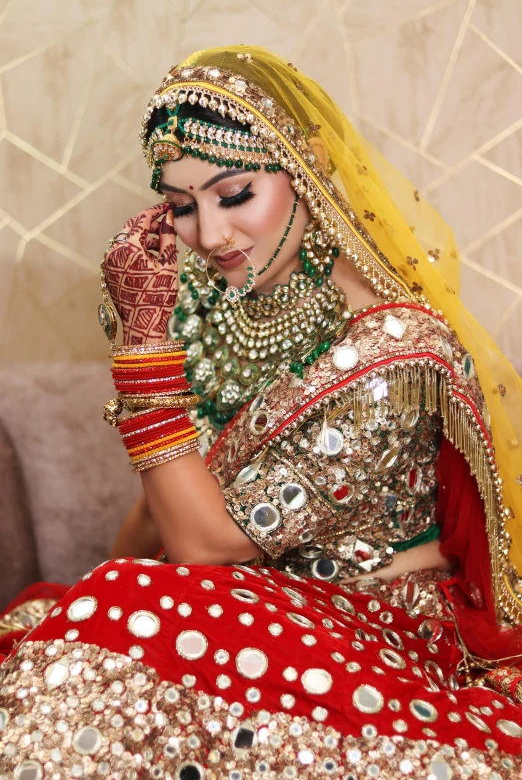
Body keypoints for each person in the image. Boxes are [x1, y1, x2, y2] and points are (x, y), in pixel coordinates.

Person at [1, 44, 522, 779]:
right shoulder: (215, 316)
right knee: (86, 615)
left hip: (376, 628)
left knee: (112, 618)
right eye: (182, 207)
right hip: (252, 608)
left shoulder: (396, 349)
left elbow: (205, 545)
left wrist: (145, 352)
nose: (211, 236)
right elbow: (147, 538)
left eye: (235, 193)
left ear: (303, 167)